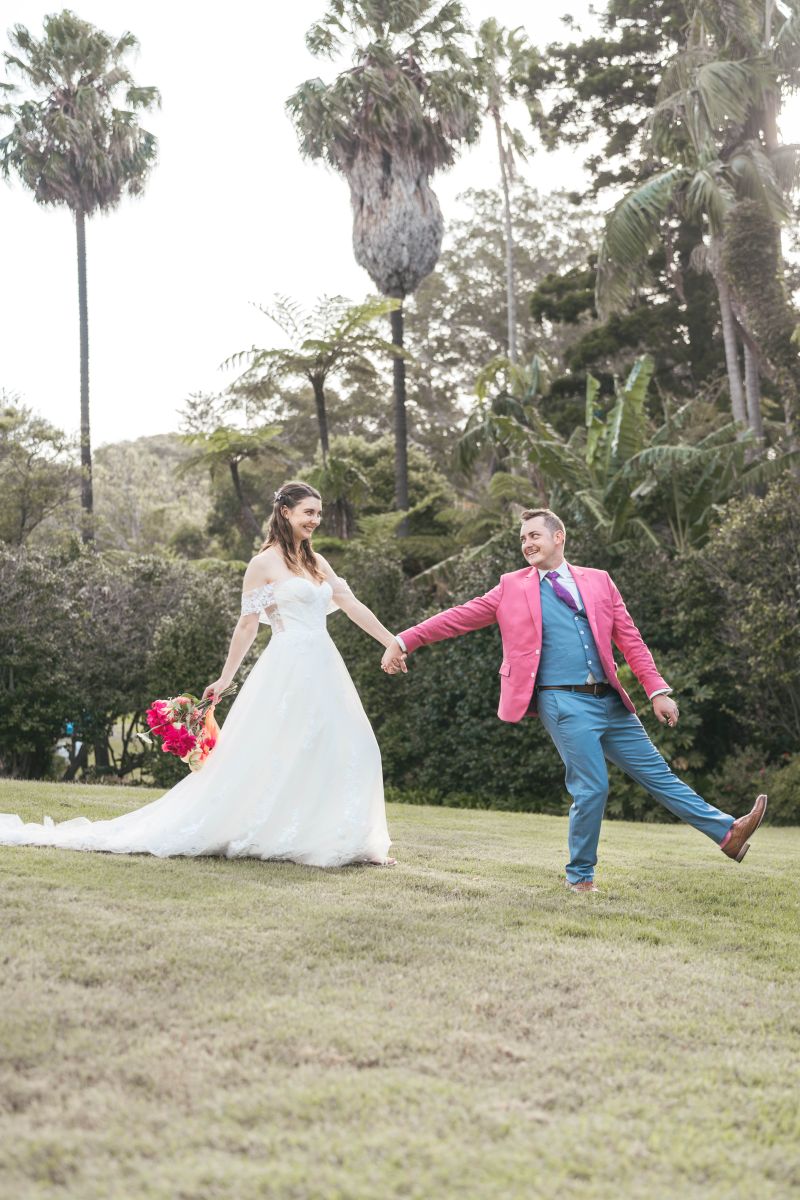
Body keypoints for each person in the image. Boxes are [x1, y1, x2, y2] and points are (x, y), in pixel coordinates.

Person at [0, 481, 398, 868]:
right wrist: (225, 679)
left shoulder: (316, 562)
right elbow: (247, 625)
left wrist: (391, 641)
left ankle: (343, 838)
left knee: (353, 745)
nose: (315, 520)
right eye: (309, 512)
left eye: (319, 514)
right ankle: (291, 835)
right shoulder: (263, 564)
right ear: (285, 511)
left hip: (325, 664)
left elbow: (351, 604)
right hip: (288, 665)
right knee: (285, 749)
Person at [381, 508, 766, 891]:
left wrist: (657, 690)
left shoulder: (599, 581)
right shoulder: (511, 587)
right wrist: (403, 641)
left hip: (610, 701)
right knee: (592, 787)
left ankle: (727, 834)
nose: (527, 544)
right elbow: (457, 617)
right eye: (523, 538)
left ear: (558, 537)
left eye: (534, 535)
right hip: (562, 701)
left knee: (658, 775)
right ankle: (580, 877)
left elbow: (630, 640)